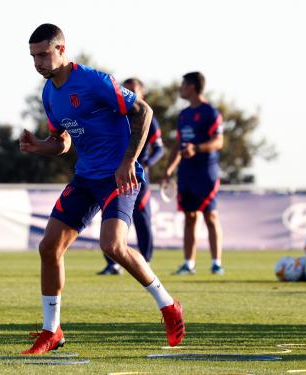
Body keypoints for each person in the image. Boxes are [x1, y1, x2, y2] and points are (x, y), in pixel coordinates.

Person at [19, 23, 185, 355]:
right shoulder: (50, 93)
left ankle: (168, 306)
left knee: (112, 246)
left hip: (118, 176)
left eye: (43, 55)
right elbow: (62, 142)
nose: (37, 62)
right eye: (33, 57)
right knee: (49, 247)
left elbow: (144, 111)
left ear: (62, 50)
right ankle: (52, 331)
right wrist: (40, 146)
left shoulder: (93, 80)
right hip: (86, 177)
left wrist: (127, 161)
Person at [98, 78, 164, 275]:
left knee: (142, 218)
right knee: (110, 216)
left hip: (137, 175)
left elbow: (159, 148)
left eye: (134, 90)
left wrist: (147, 163)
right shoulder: (116, 115)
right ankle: (113, 264)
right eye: (126, 90)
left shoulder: (147, 117)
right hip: (113, 174)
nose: (129, 93)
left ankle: (146, 261)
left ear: (142, 94)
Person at [162, 71, 225, 275]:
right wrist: (169, 170)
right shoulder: (184, 115)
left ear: (192, 87)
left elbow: (219, 141)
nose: (180, 88)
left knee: (210, 216)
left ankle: (216, 263)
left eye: (183, 85)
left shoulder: (211, 113)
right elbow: (179, 145)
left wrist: (196, 149)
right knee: (189, 218)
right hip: (186, 174)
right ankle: (189, 264)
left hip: (206, 173)